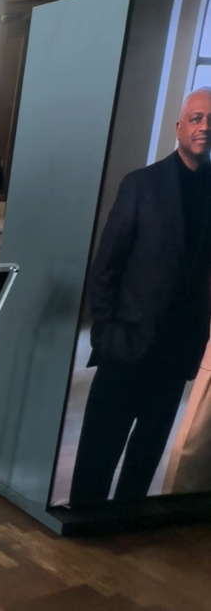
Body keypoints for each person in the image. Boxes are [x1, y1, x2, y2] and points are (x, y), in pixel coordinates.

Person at [70, 87, 211, 505]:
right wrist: (105, 335)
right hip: (126, 344)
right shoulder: (142, 184)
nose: (205, 127)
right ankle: (86, 521)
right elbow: (106, 267)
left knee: (147, 451)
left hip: (177, 350)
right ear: (179, 127)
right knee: (99, 449)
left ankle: (127, 519)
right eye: (198, 118)